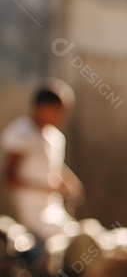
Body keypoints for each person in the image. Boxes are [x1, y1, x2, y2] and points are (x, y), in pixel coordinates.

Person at [1, 79, 82, 240]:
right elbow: (10, 178)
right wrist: (48, 188)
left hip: (54, 209)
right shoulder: (21, 134)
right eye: (58, 110)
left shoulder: (55, 137)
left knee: (79, 236)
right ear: (42, 107)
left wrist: (68, 181)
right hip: (31, 212)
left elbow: (52, 166)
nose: (62, 116)